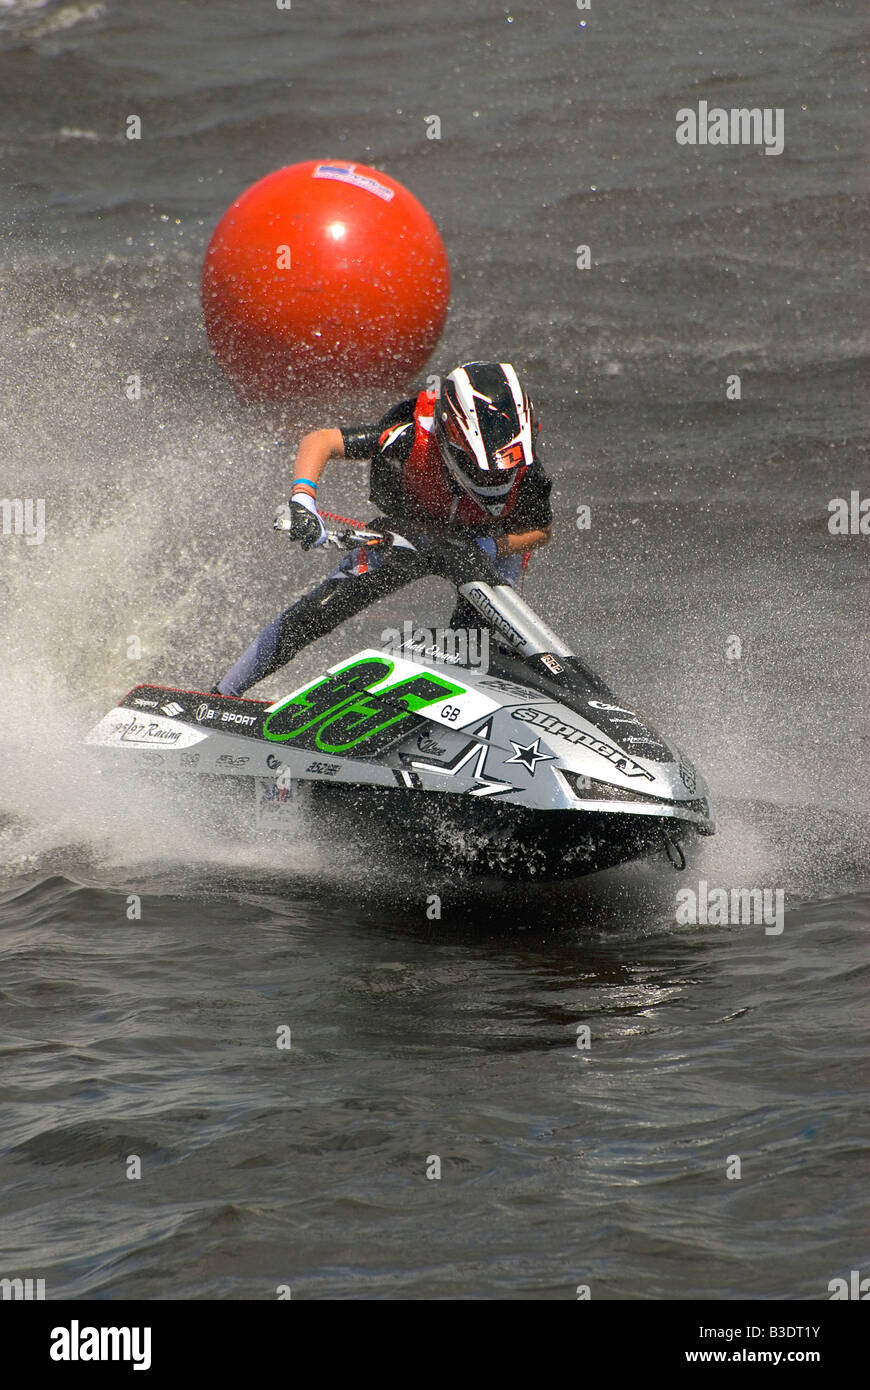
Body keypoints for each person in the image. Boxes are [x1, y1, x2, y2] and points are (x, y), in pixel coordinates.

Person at [212, 361, 553, 697]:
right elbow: (322, 441)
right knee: (315, 613)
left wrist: (488, 548)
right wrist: (303, 501)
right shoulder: (410, 438)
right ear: (452, 438)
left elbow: (540, 530)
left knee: (477, 644)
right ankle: (222, 695)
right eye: (481, 470)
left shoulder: (527, 467)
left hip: (485, 543)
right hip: (411, 533)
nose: (494, 478)